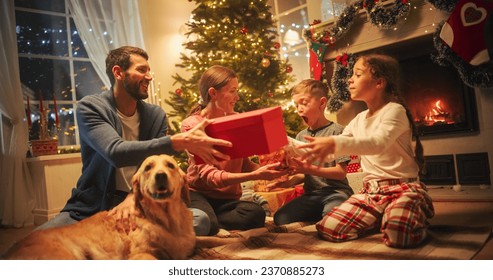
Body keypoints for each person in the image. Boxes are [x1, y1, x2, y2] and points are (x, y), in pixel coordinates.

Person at [35, 46, 232, 234]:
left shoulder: (155, 115)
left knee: (200, 220)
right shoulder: (91, 108)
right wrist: (177, 141)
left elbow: (154, 165)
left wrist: (132, 197)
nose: (149, 76)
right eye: (141, 70)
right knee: (34, 245)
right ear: (118, 73)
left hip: (145, 202)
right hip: (94, 206)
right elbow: (115, 152)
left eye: (149, 70)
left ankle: (122, 241)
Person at [299, 54, 435, 248]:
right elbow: (337, 148)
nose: (350, 79)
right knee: (328, 228)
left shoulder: (394, 111)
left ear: (379, 82)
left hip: (403, 189)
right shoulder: (359, 118)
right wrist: (299, 153)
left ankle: (413, 209)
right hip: (371, 193)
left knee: (400, 236)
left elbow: (377, 143)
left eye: (358, 74)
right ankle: (382, 217)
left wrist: (333, 143)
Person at [181, 65, 289, 236]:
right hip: (199, 194)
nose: (237, 97)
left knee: (256, 214)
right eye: (232, 91)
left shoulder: (237, 119)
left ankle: (214, 221)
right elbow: (210, 178)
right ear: (213, 93)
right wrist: (257, 175)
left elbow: (244, 163)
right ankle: (208, 220)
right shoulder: (192, 125)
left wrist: (272, 169)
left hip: (228, 200)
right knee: (203, 222)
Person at [266, 79, 353, 226]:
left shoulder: (336, 131)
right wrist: (286, 183)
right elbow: (304, 173)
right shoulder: (300, 136)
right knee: (280, 218)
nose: (299, 109)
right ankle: (319, 215)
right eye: (296, 105)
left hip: (336, 192)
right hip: (312, 195)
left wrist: (309, 169)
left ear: (322, 103)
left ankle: (326, 216)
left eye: (304, 103)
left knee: (332, 219)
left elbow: (340, 173)